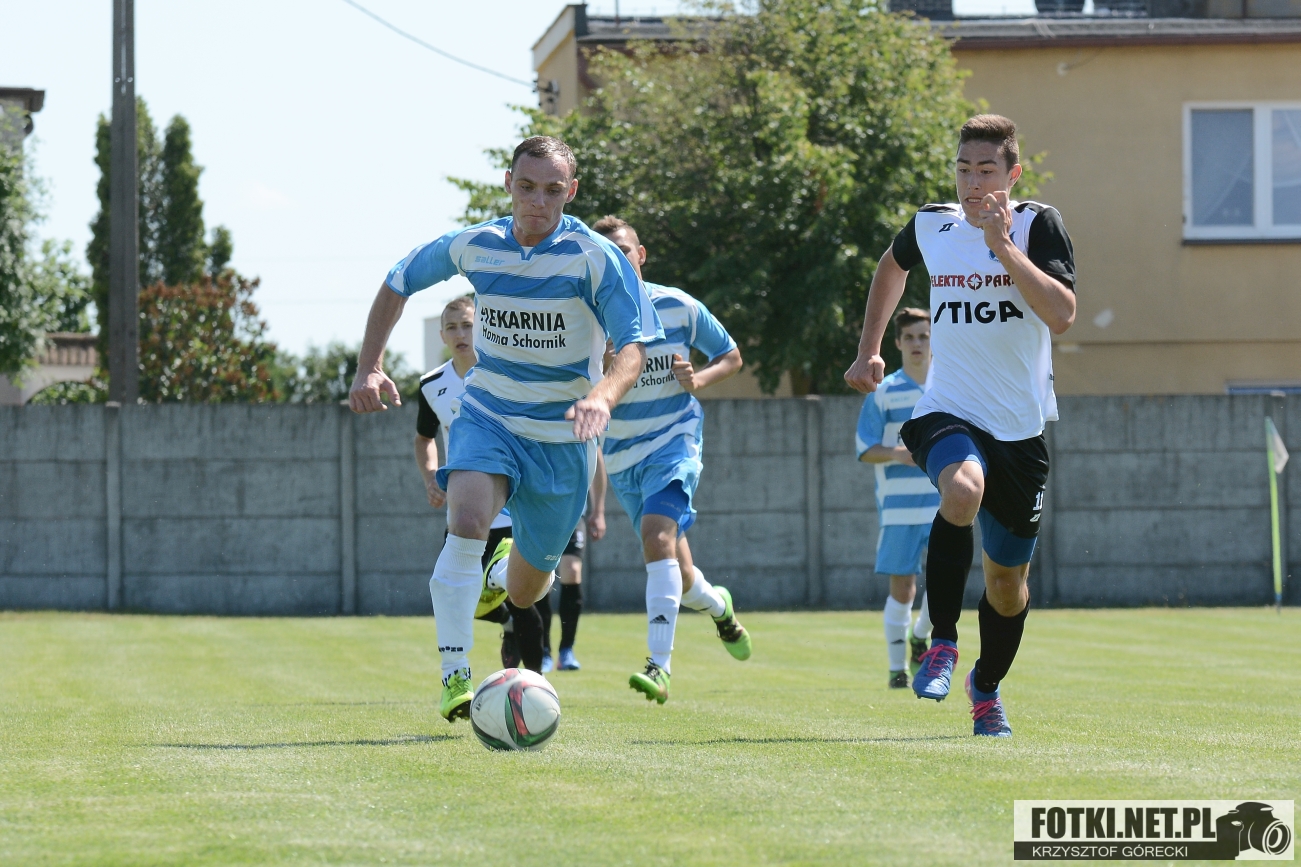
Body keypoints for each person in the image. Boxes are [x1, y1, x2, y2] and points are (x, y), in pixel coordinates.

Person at [350, 136, 662, 723]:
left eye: (552, 190)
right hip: (489, 415)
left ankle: (506, 566)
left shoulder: (596, 258)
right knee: (466, 523)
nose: (537, 202)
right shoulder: (477, 245)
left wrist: (601, 396)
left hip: (563, 439)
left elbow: (634, 347)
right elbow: (399, 280)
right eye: (526, 187)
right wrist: (369, 365)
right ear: (508, 184)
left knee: (525, 592)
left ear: (570, 192)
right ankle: (454, 674)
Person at [844, 115, 1076, 737]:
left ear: (1013, 174)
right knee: (962, 488)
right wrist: (869, 348)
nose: (973, 184)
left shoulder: (1038, 225)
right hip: (948, 410)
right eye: (964, 170)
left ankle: (986, 687)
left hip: (1020, 432)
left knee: (1007, 588)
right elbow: (891, 267)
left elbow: (1061, 314)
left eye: (987, 171)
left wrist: (1003, 248)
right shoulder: (932, 224)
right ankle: (941, 642)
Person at [593, 215, 751, 705]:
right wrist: (600, 370)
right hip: (622, 456)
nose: (618, 260)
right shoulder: (588, 318)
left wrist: (697, 380)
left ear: (640, 255)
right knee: (678, 574)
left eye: (624, 250)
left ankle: (658, 665)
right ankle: (719, 608)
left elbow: (731, 356)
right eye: (607, 254)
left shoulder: (679, 306)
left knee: (656, 537)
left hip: (673, 441)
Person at [414, 295, 547, 673]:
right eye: (452, 327)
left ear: (483, 328)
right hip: (464, 510)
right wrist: (430, 477)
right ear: (442, 335)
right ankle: (504, 625)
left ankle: (536, 687)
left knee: (522, 598)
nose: (461, 334)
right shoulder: (431, 385)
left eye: (468, 325)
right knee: (460, 595)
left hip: (511, 508)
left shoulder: (505, 375)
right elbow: (424, 438)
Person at [856, 307, 938, 689]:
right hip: (898, 508)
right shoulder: (885, 391)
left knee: (944, 582)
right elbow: (864, 448)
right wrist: (898, 453)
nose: (917, 343)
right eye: (910, 337)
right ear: (898, 343)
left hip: (945, 504)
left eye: (924, 336)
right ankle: (896, 670)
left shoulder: (949, 387)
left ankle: (921, 636)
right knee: (903, 588)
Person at [538, 452, 605, 672]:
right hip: (538, 512)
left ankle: (566, 649)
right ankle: (543, 650)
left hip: (572, 513)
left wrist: (598, 511)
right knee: (540, 579)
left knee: (572, 570)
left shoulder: (584, 432)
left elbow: (596, 461)